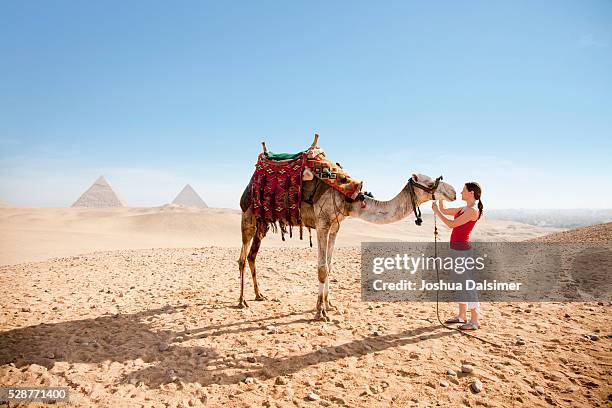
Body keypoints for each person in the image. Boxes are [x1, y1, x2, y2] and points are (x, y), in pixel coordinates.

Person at [431, 181, 484, 330]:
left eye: (463, 190)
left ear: (471, 193)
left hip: (462, 251)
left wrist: (436, 211)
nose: (461, 193)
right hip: (456, 250)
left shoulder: (472, 211)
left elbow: (450, 224)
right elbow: (444, 209)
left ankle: (474, 321)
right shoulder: (464, 208)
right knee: (460, 283)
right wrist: (440, 195)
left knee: (467, 285)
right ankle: (462, 316)